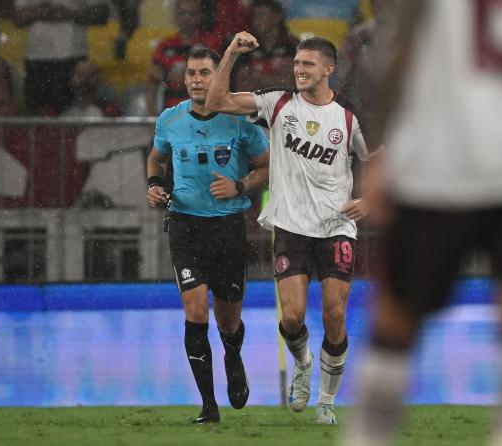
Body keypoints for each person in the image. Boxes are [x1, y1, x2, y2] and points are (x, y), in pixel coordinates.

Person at [346, 1, 502, 445]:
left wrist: (385, 148)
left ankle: (366, 435)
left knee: (395, 325)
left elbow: (400, 42)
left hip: (445, 156)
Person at [206, 32, 372, 424]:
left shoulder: (348, 118)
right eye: (296, 64)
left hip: (336, 228)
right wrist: (230, 53)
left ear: (328, 69)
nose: (298, 70)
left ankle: (327, 403)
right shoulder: (276, 103)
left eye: (307, 65)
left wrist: (368, 200)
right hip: (291, 228)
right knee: (293, 318)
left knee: (334, 314)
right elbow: (216, 102)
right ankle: (303, 362)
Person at [146, 47, 269, 423]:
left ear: (219, 77)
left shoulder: (240, 121)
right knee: (195, 310)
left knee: (227, 320)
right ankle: (208, 406)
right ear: (184, 80)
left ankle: (233, 355)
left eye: (205, 73)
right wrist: (153, 184)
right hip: (185, 227)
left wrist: (239, 185)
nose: (198, 80)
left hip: (229, 228)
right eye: (192, 74)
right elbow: (156, 158)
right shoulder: (170, 119)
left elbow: (266, 167)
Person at [13, 0, 109, 115]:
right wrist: (40, 12)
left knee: (73, 117)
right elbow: (17, 18)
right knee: (38, 119)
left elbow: (102, 13)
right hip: (36, 58)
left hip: (73, 55)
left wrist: (69, 13)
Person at [145, 0, 222, 117]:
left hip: (205, 116)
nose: (187, 18)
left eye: (192, 14)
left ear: (200, 16)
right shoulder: (165, 46)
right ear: (176, 15)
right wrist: (153, 123)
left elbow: (219, 79)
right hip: (172, 116)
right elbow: (152, 85)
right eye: (182, 13)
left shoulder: (211, 43)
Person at [231, 0, 298, 92]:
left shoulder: (293, 45)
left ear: (277, 17)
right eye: (254, 16)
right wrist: (277, 79)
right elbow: (240, 86)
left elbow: (294, 82)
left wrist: (258, 79)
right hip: (253, 105)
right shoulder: (246, 47)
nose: (256, 21)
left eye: (261, 15)